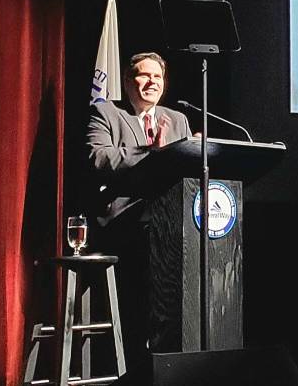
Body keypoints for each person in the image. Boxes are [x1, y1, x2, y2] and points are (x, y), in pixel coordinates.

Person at [86, 51, 191, 367]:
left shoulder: (178, 119)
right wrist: (151, 153)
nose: (152, 83)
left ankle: (179, 347)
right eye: (144, 76)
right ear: (127, 81)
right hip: (123, 222)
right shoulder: (107, 113)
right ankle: (143, 352)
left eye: (157, 77)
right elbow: (98, 157)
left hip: (171, 222)